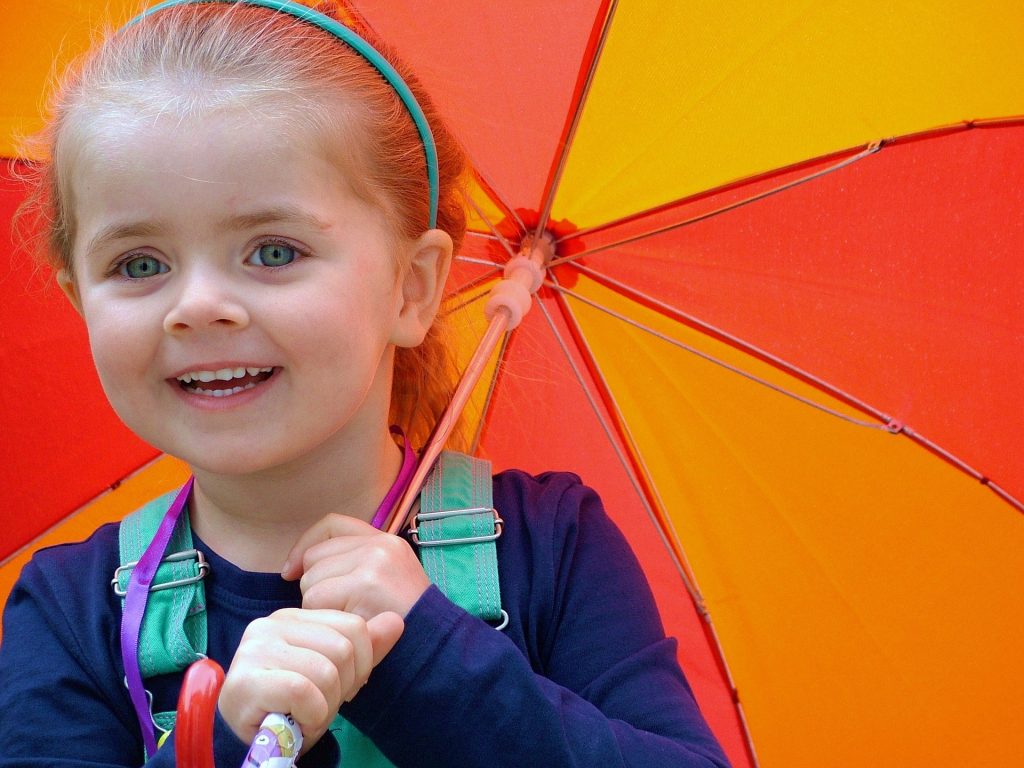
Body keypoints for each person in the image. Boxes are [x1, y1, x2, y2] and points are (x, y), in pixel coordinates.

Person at [0, 1, 731, 766]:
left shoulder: (552, 544)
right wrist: (219, 741)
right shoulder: (71, 610)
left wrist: (430, 654)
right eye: (139, 264)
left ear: (411, 288)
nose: (199, 306)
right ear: (79, 298)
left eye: (273, 251)